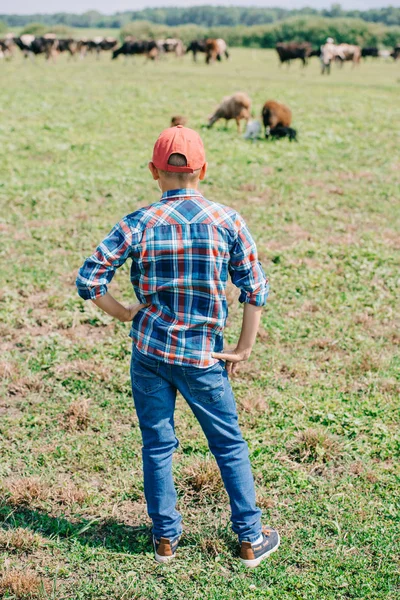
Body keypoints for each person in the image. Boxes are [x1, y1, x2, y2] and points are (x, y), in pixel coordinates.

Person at [76, 125, 280, 568]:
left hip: (149, 354)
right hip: (204, 356)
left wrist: (123, 312)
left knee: (157, 444)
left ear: (154, 171)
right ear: (203, 169)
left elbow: (89, 279)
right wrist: (243, 349)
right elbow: (255, 289)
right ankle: (250, 538)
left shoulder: (137, 223)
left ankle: (165, 538)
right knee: (228, 444)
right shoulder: (228, 221)